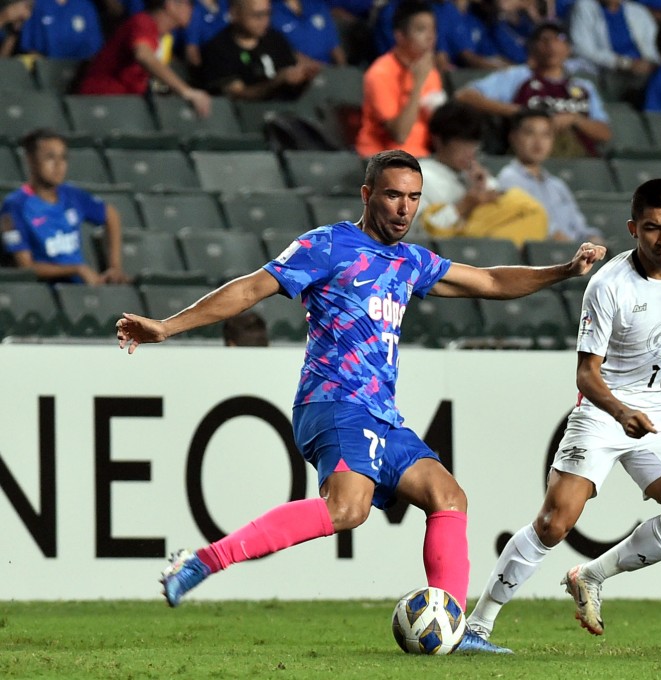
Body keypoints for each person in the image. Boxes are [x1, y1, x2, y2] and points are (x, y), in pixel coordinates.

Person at [115, 149, 606, 655]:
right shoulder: (326, 246)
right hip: (332, 401)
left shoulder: (411, 261)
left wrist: (564, 270)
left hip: (379, 413)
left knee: (448, 497)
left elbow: (489, 280)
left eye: (414, 198)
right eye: (393, 195)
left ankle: (452, 629)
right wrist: (167, 326)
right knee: (349, 510)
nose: (404, 208)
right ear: (368, 195)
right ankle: (199, 562)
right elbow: (250, 289)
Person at [465, 177, 661, 643]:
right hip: (603, 410)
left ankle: (591, 576)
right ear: (634, 228)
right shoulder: (609, 285)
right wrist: (618, 411)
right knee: (555, 521)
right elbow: (586, 375)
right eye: (652, 228)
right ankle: (478, 624)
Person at [455, 21, 612, 158]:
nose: (551, 45)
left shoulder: (583, 86)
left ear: (568, 49)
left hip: (577, 158)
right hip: (525, 155)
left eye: (559, 39)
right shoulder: (517, 76)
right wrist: (520, 112)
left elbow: (605, 133)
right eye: (544, 40)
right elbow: (464, 96)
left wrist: (575, 119)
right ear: (532, 47)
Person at [0, 128, 127, 285]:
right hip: (46, 290)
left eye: (63, 158)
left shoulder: (72, 195)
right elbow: (25, 267)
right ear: (30, 159)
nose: (59, 165)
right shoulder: (14, 206)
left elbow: (111, 214)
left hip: (82, 288)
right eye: (50, 157)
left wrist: (114, 266)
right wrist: (76, 269)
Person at [414, 101, 548, 246]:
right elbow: (418, 233)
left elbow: (502, 213)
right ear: (438, 140)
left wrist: (485, 185)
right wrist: (464, 206)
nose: (469, 153)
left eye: (473, 145)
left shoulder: (474, 174)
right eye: (462, 144)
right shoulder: (419, 177)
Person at [77, 0, 213, 118]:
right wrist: (186, 92)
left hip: (129, 104)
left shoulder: (165, 37)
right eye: (188, 3)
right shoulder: (142, 22)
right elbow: (143, 55)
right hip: (102, 102)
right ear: (171, 4)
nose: (192, 9)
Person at [355, 0, 447, 158]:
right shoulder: (380, 73)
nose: (430, 37)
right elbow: (400, 135)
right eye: (421, 29)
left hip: (422, 158)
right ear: (400, 36)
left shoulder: (431, 73)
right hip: (384, 159)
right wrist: (418, 84)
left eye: (433, 29)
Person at [497, 108, 604, 243]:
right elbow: (529, 227)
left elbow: (580, 227)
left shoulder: (557, 185)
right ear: (513, 137)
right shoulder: (508, 179)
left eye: (546, 135)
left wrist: (593, 238)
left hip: (574, 252)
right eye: (530, 133)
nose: (538, 141)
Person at [201, 0, 320, 100]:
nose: (265, 21)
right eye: (257, 15)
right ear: (234, 14)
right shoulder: (219, 49)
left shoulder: (275, 38)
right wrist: (277, 81)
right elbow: (238, 95)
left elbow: (291, 68)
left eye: (268, 14)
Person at [568, 0, 659, 78]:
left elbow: (655, 45)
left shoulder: (638, 11)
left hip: (645, 70)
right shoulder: (585, 8)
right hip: (608, 73)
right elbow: (582, 49)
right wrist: (625, 64)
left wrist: (651, 64)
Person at [18, 0, 106, 61]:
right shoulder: (37, 5)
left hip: (80, 72)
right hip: (47, 72)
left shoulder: (86, 6)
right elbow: (30, 48)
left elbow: (95, 49)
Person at [271, 0, 347, 65]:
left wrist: (343, 70)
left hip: (330, 70)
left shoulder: (317, 5)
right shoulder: (272, 13)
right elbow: (286, 54)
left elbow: (335, 45)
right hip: (300, 73)